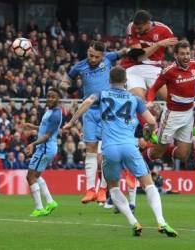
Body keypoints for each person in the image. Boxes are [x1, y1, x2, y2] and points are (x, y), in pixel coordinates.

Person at [64, 66, 177, 237]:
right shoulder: (135, 99)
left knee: (114, 188)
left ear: (109, 81)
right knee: (148, 184)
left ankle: (134, 222)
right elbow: (152, 121)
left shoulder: (102, 94)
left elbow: (87, 102)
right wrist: (148, 132)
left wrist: (72, 122)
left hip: (109, 149)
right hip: (129, 146)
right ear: (126, 82)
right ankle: (161, 221)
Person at [61, 40, 127, 204]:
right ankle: (90, 190)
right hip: (89, 111)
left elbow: (125, 51)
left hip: (108, 109)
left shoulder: (109, 59)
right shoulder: (79, 66)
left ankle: (103, 190)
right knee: (90, 148)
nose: (92, 59)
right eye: (90, 55)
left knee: (107, 151)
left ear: (102, 56)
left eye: (96, 57)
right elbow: (64, 81)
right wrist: (68, 88)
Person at [145, 40, 195, 163]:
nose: (186, 56)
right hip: (172, 115)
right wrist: (149, 101)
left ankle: (166, 153)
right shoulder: (169, 71)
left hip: (188, 115)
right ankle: (143, 156)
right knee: (157, 153)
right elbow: (153, 88)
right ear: (176, 55)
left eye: (187, 53)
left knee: (183, 155)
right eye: (182, 54)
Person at [121, 9, 178, 100]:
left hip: (154, 68)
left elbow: (176, 49)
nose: (136, 30)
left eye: (139, 28)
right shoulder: (131, 27)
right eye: (135, 27)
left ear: (148, 23)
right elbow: (139, 56)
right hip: (134, 67)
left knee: (171, 99)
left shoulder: (164, 30)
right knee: (139, 99)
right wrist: (158, 44)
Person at [24, 88, 62, 217]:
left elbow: (47, 135)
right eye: (49, 96)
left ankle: (39, 208)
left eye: (53, 97)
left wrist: (32, 144)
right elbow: (45, 128)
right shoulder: (50, 111)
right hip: (46, 147)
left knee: (30, 176)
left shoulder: (56, 114)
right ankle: (50, 202)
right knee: (36, 176)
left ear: (58, 99)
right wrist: (33, 127)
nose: (50, 99)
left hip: (45, 147)